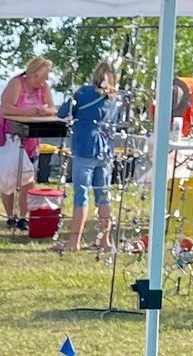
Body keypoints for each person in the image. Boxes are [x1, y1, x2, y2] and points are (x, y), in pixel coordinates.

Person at [0, 57, 58, 229]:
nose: (46, 80)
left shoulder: (44, 88)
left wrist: (45, 111)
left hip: (31, 136)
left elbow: (53, 108)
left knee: (28, 178)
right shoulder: (16, 84)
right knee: (8, 176)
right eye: (44, 75)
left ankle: (23, 217)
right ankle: (10, 215)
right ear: (35, 74)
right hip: (8, 136)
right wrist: (27, 111)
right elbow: (6, 107)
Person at [58, 61, 120, 251]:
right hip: (106, 150)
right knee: (103, 195)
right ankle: (104, 240)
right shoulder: (115, 100)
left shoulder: (84, 93)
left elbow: (63, 113)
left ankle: (74, 242)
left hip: (85, 146)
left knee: (81, 195)